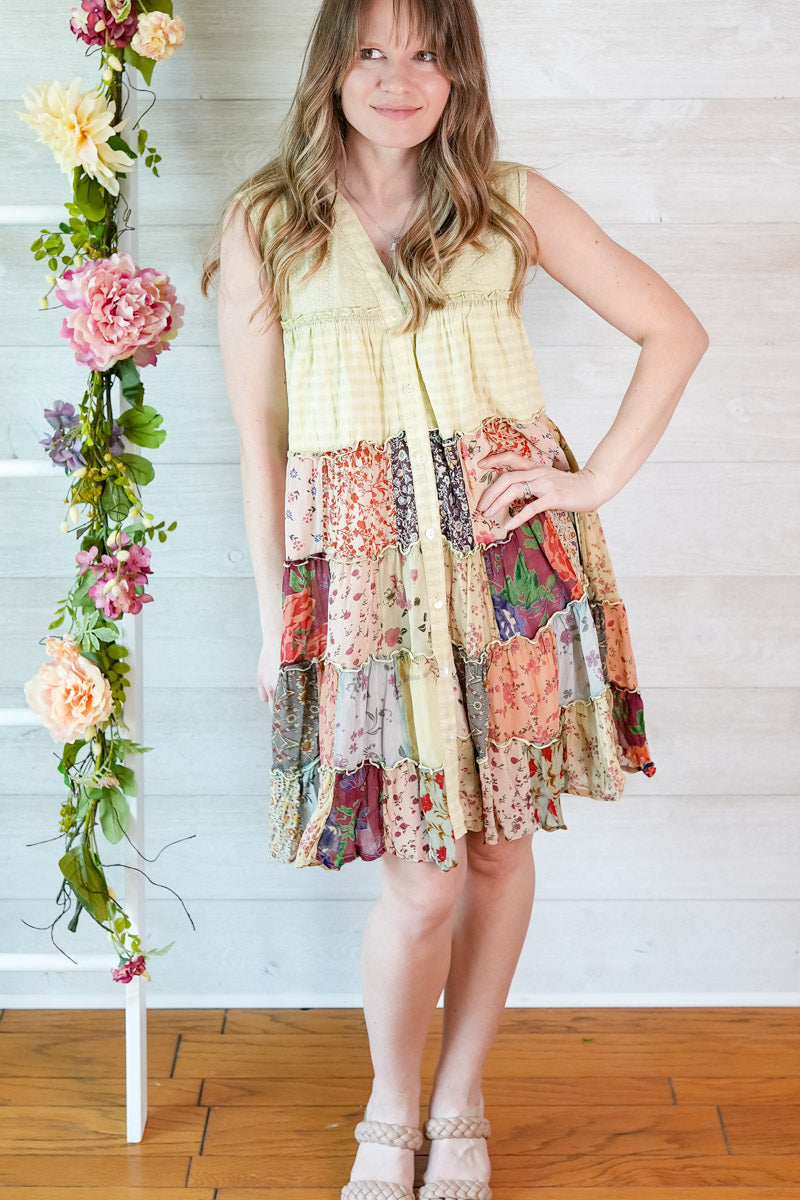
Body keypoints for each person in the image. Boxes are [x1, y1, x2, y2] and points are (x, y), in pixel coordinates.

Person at [201, 0, 708, 1195]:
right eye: (373, 51)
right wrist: (279, 620)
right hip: (369, 591)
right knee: (419, 877)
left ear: (456, 73)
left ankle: (461, 1098)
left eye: (427, 53)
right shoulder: (265, 222)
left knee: (493, 856)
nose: (398, 76)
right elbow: (258, 442)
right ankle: (392, 1111)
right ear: (333, 66)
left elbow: (671, 331)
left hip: (510, 574)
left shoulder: (509, 201)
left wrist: (589, 478)